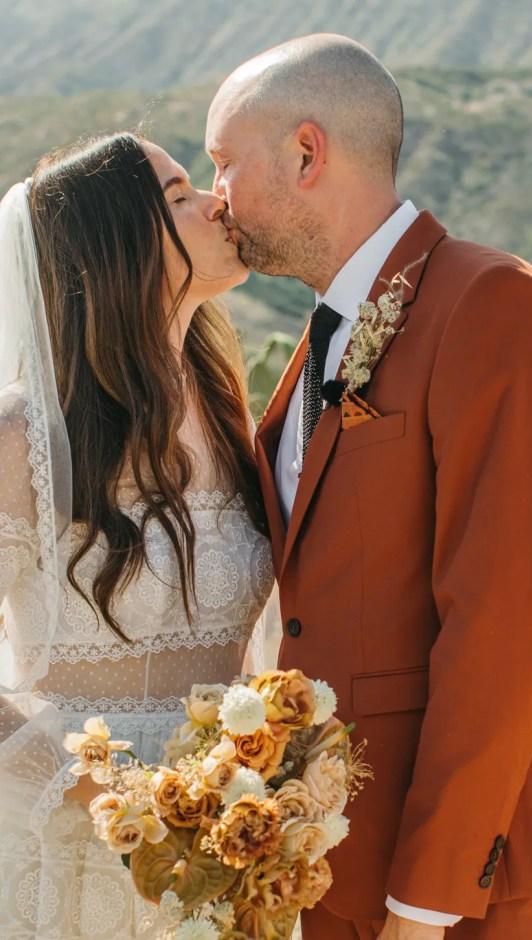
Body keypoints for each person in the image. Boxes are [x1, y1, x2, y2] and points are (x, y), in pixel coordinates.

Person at [206, 34, 532, 940]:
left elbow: (506, 620)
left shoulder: (494, 305)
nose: (217, 197)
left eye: (224, 165)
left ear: (306, 154)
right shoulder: (320, 341)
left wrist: (426, 898)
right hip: (339, 852)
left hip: (476, 878)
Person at [0, 133, 273, 937]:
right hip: (78, 841)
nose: (216, 203)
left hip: (229, 832)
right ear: (118, 242)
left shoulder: (230, 417)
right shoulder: (23, 439)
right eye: (181, 193)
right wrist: (102, 790)